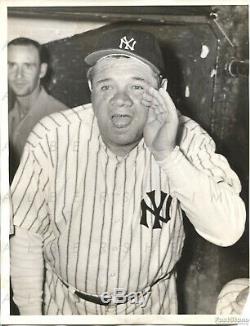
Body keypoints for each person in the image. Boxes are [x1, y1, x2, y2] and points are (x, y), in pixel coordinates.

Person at [10, 28, 246, 315]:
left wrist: (168, 156)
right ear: (91, 88)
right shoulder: (51, 137)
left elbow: (228, 230)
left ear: (161, 90)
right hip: (66, 306)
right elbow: (26, 236)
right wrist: (31, 317)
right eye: (106, 86)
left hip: (151, 306)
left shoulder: (188, 137)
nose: (120, 99)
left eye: (137, 87)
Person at [8, 37, 68, 181]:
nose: (18, 75)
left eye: (28, 66)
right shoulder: (8, 117)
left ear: (42, 70)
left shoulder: (61, 121)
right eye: (11, 65)